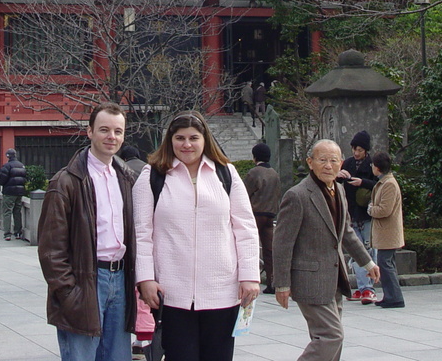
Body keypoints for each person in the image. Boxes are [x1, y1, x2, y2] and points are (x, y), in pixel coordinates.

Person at [133, 111, 259, 361]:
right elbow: (141, 232)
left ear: (205, 140)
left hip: (221, 290)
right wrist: (145, 278)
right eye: (179, 138)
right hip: (172, 292)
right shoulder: (152, 176)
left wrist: (250, 276)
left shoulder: (226, 174)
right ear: (170, 140)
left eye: (193, 137)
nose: (186, 144)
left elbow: (245, 228)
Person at [38, 102, 137, 361]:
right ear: (89, 131)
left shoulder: (126, 178)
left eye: (118, 131)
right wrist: (69, 292)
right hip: (85, 281)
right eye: (104, 130)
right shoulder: (66, 181)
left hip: (120, 279)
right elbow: (51, 248)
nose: (111, 137)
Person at [274, 139, 380, 361]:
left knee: (327, 340)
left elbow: (346, 232)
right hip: (309, 279)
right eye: (322, 160)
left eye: (333, 160)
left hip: (335, 278)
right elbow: (283, 243)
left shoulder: (339, 191)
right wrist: (282, 283)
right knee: (332, 336)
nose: (328, 165)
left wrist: (367, 262)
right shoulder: (297, 195)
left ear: (341, 163)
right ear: (310, 162)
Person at [337, 130, 377, 304]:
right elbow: (335, 184)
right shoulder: (348, 163)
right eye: (354, 149)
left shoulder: (371, 165)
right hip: (351, 213)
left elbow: (379, 185)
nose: (356, 153)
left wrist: (363, 182)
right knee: (357, 250)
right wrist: (339, 177)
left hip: (366, 214)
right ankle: (363, 288)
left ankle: (369, 287)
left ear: (366, 150)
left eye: (360, 149)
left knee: (368, 250)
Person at [368, 151, 405, 309]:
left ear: (377, 167)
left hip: (388, 233)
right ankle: (390, 295)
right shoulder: (384, 182)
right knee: (386, 264)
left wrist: (371, 209)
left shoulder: (389, 184)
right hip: (385, 232)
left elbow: (385, 210)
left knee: (385, 264)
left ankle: (394, 297)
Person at [243, 142, 281, 294]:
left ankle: (250, 279)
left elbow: (244, 193)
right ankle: (272, 282)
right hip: (270, 214)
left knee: (250, 247)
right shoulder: (274, 173)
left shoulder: (254, 173)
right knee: (269, 250)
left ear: (255, 156)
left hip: (255, 214)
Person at [0, 149, 27, 241]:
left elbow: (2, 180)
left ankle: (7, 233)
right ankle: (18, 232)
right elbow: (25, 178)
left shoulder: (7, 166)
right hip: (19, 192)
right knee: (17, 211)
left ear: (8, 156)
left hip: (9, 192)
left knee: (7, 212)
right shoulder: (22, 165)